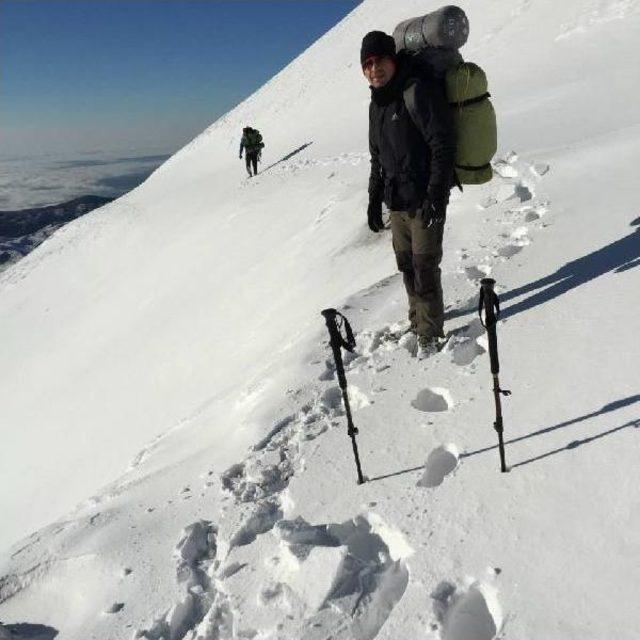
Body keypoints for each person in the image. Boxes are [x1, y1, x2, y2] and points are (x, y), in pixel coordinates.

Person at [362, 31, 456, 358]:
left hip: (424, 198)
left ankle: (430, 333)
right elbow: (377, 157)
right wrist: (375, 199)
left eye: (379, 61)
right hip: (397, 201)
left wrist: (436, 197)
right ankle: (417, 319)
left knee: (425, 266)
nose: (374, 69)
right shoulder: (377, 105)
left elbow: (442, 145)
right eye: (367, 64)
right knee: (406, 265)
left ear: (393, 59)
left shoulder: (416, 91)